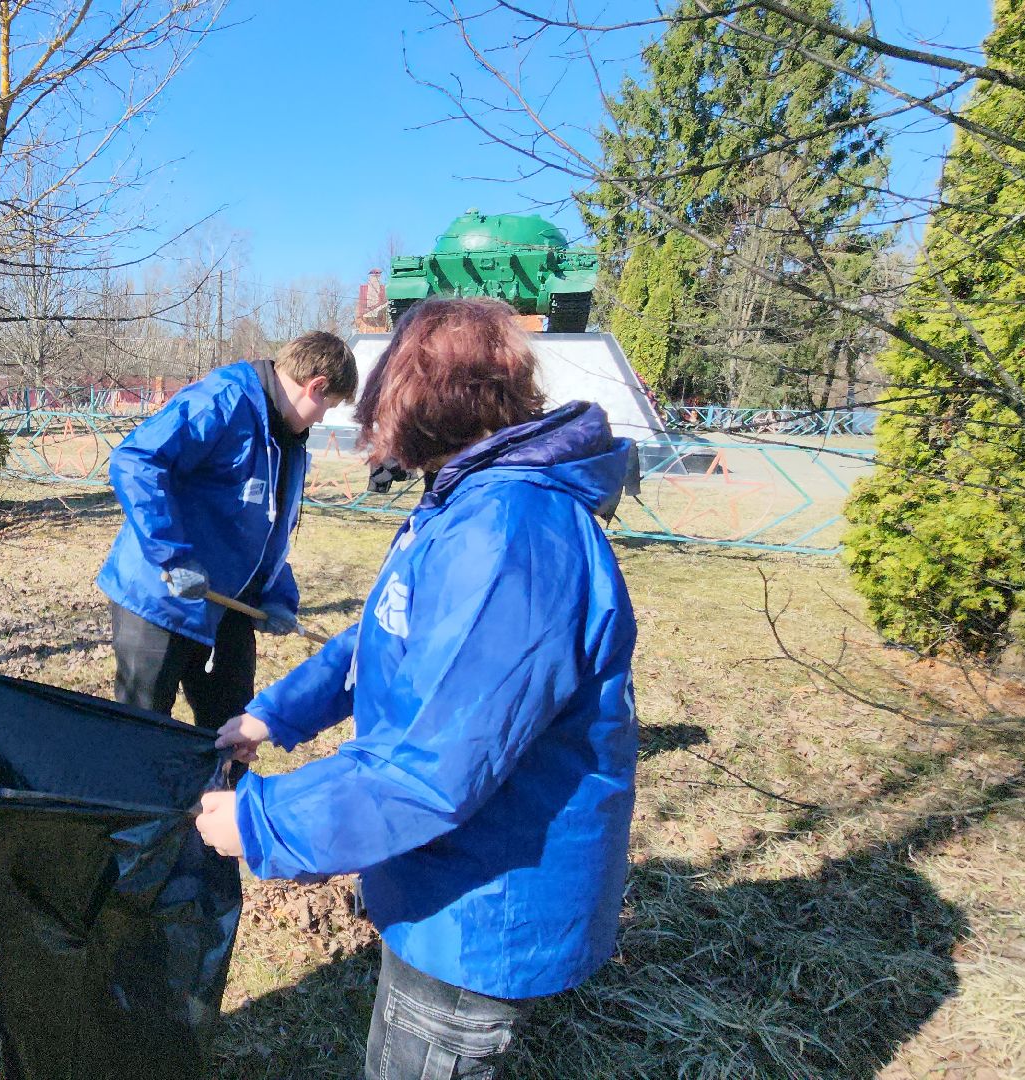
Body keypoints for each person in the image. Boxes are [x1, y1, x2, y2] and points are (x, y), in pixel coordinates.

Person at [194, 297, 639, 1079]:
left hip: (481, 896)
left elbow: (436, 767)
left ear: (424, 402)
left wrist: (265, 820)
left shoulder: (512, 536)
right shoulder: (463, 502)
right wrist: (272, 716)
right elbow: (382, 636)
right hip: (439, 872)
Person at [96, 332, 358, 728]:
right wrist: (174, 555)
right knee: (141, 730)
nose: (322, 419)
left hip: (227, 606)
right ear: (315, 387)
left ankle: (220, 791)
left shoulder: (289, 440)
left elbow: (267, 526)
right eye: (329, 407)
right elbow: (136, 462)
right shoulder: (224, 400)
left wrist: (277, 595)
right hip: (160, 596)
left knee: (231, 729)